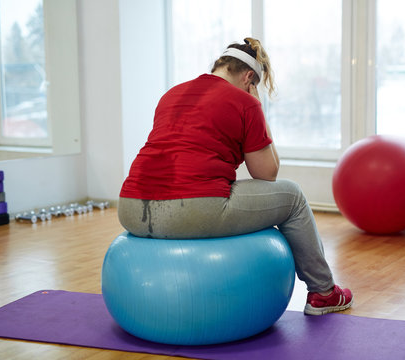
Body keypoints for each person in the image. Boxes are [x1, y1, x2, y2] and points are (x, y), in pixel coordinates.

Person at [118, 37, 353, 316]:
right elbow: (267, 173)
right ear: (249, 77)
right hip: (191, 209)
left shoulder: (172, 94)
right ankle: (324, 292)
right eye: (256, 87)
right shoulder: (245, 102)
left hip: (130, 207)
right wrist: (259, 112)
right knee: (293, 196)